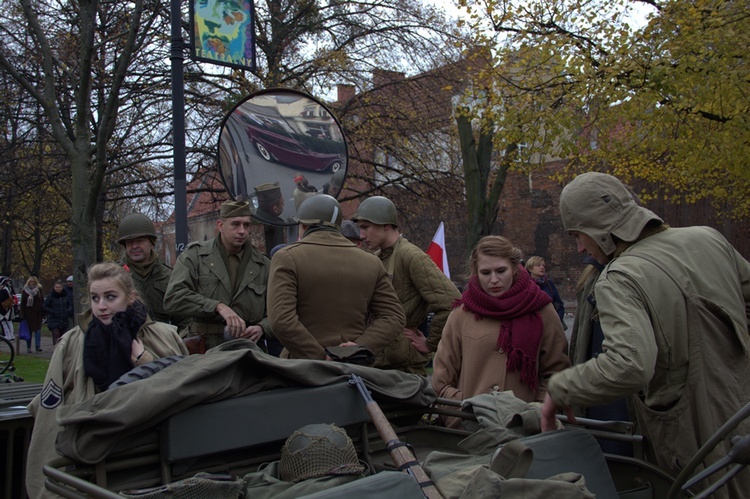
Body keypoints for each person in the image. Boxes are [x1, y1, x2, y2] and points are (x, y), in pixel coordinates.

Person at [541, 172, 750, 497]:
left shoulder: (620, 277)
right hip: (742, 424)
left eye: (578, 235)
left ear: (601, 230)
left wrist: (560, 389)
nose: (580, 246)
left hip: (692, 448)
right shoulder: (709, 239)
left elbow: (629, 365)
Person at [25, 262, 188, 499]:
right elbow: (50, 413)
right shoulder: (73, 343)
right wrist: (44, 488)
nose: (101, 306)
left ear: (130, 297)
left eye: (110, 297)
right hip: (92, 459)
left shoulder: (164, 336)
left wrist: (146, 362)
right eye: (95, 298)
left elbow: (186, 391)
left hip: (154, 460)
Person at [432, 236, 571, 427]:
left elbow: (557, 373)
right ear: (476, 273)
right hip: (470, 430)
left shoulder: (541, 310)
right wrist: (462, 412)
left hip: (525, 431)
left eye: (501, 270)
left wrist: (536, 413)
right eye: (485, 272)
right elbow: (441, 378)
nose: (494, 280)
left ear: (514, 268)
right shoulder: (461, 314)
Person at [268, 194, 404, 360]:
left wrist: (320, 356)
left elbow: (281, 321)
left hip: (302, 368)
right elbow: (393, 317)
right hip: (355, 368)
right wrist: (359, 348)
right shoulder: (371, 261)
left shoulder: (287, 257)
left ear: (303, 225)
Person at [353, 196, 461, 375]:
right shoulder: (377, 257)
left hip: (404, 368)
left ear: (385, 225)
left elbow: (452, 301)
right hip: (378, 362)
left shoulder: (410, 256)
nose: (361, 235)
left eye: (366, 227)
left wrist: (430, 343)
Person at [165, 200, 273, 350]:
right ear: (220, 226)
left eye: (246, 225)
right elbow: (173, 298)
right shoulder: (195, 256)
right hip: (205, 347)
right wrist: (217, 306)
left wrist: (263, 327)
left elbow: (278, 310)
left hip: (248, 348)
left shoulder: (263, 265)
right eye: (235, 224)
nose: (242, 231)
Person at [117, 212, 188, 329]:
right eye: (130, 242)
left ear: (152, 242)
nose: (134, 246)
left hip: (161, 343)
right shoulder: (115, 276)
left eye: (140, 241)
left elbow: (183, 320)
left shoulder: (169, 277)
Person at [525, 256, 567, 330]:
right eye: (538, 265)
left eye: (543, 265)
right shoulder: (526, 285)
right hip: (532, 327)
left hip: (550, 326)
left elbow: (559, 304)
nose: (542, 267)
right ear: (530, 268)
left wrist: (556, 321)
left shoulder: (549, 283)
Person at [254, 181, 286, 250]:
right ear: (275, 209)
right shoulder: (278, 226)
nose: (283, 205)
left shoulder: (252, 220)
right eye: (282, 202)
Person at [43, 279, 72, 345]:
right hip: (54, 319)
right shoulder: (50, 296)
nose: (58, 289)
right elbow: (45, 306)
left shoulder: (65, 296)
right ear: (54, 288)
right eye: (56, 287)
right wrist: (52, 312)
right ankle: (56, 349)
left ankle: (62, 350)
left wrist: (68, 311)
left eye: (59, 287)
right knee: (56, 335)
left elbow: (69, 305)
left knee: (63, 336)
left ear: (62, 288)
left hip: (63, 319)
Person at [20, 276, 45, 353]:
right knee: (29, 331)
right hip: (28, 314)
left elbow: (42, 301)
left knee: (38, 330)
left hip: (37, 314)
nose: (32, 283)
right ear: (28, 282)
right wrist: (22, 314)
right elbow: (23, 303)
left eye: (34, 282)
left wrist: (42, 311)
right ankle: (28, 347)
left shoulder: (38, 290)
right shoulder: (25, 291)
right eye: (31, 281)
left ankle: (38, 346)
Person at [0, 276, 15, 341]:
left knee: (5, 322)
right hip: (6, 308)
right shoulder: (7, 288)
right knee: (8, 322)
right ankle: (10, 335)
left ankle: (9, 335)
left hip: (4, 308)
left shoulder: (4, 290)